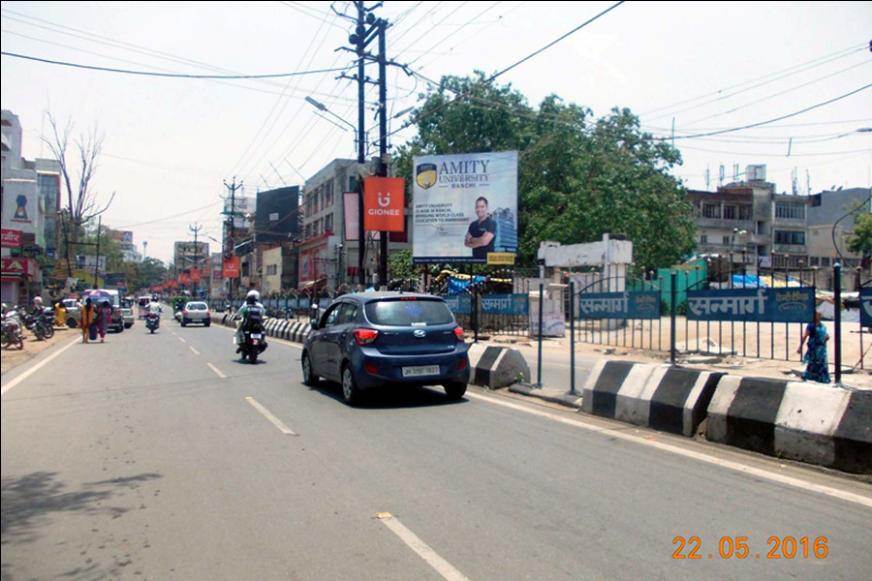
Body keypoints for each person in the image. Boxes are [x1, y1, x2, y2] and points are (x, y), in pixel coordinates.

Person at [797, 311, 830, 384]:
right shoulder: (811, 325)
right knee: (812, 363)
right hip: (814, 348)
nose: (819, 317)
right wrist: (800, 347)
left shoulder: (822, 326)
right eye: (818, 315)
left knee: (822, 363)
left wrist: (826, 338)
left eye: (820, 315)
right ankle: (807, 376)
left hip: (822, 348)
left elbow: (826, 335)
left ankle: (822, 378)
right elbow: (805, 336)